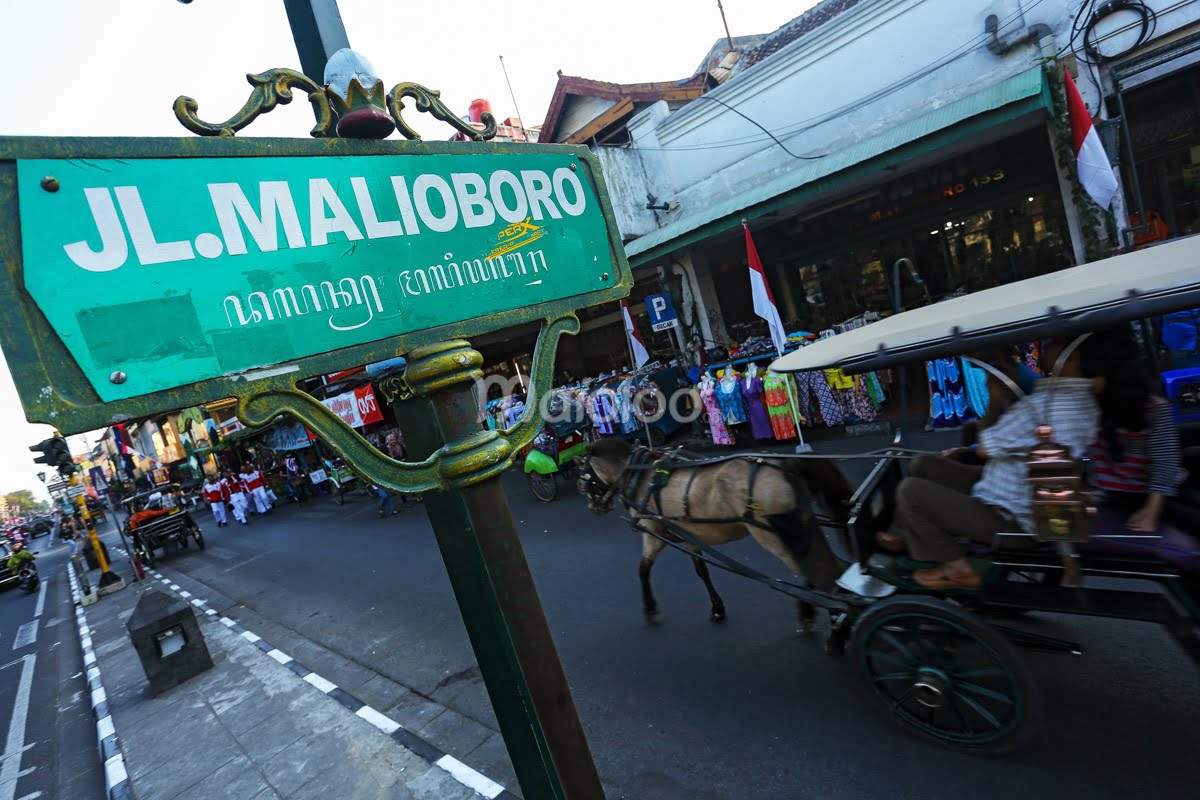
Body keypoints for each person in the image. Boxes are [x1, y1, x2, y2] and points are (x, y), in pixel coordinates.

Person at [878, 336, 1106, 590]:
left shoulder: (1046, 404)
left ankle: (956, 567)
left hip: (1009, 514)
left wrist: (996, 397)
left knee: (910, 491)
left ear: (1071, 361)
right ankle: (912, 536)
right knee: (924, 464)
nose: (1045, 356)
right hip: (1005, 482)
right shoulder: (1070, 399)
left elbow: (986, 446)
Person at [1087, 331, 1195, 531]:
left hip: (1156, 489)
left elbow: (1164, 464)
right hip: (1127, 494)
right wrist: (1150, 513)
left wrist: (1151, 511)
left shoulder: (1153, 408)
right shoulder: (1089, 405)